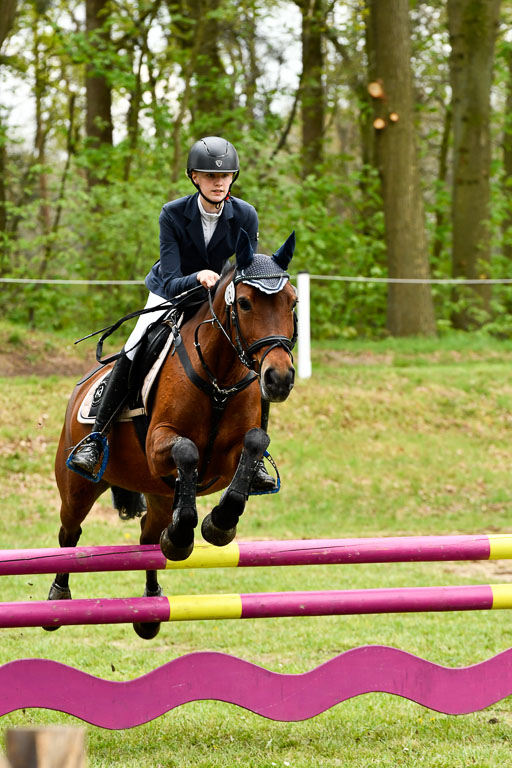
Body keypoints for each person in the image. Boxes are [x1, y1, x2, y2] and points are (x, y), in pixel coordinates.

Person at [69, 135, 275, 491]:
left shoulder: (245, 215)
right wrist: (198, 277)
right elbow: (168, 277)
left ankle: (255, 461)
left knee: (252, 357)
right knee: (136, 345)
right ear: (194, 177)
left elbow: (244, 270)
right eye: (210, 176)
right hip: (172, 293)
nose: (219, 182)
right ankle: (96, 439)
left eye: (225, 176)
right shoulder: (173, 214)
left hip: (217, 301)